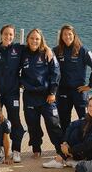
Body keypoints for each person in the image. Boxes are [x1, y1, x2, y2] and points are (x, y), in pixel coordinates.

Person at [20, 28, 64, 158]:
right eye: (32, 38)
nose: (34, 41)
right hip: (29, 96)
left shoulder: (47, 53)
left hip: (47, 96)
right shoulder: (22, 53)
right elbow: (14, 69)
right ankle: (36, 148)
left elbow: (56, 73)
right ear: (27, 39)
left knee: (53, 123)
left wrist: (52, 92)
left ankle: (60, 148)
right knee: (32, 124)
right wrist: (20, 82)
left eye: (37, 39)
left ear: (41, 41)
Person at [0, 24, 25, 163]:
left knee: (15, 120)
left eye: (11, 35)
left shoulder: (19, 49)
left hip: (12, 91)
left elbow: (36, 48)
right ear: (1, 35)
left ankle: (16, 150)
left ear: (14, 36)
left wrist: (48, 50)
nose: (8, 37)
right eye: (6, 34)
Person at [54, 24, 92, 134]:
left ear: (74, 35)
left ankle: (87, 144)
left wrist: (89, 85)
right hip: (63, 91)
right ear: (61, 36)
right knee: (64, 120)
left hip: (79, 91)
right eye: (64, 34)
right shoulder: (56, 50)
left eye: (70, 34)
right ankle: (66, 143)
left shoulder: (83, 50)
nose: (67, 37)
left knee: (85, 119)